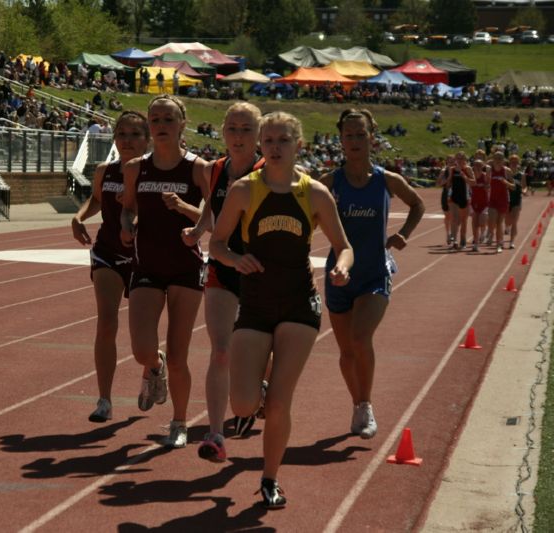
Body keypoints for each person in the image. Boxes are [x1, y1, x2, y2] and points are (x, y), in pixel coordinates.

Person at [210, 111, 353, 508]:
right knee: (241, 403)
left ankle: (270, 478)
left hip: (298, 304)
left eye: (282, 140)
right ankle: (254, 401)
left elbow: (344, 246)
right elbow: (216, 244)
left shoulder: (315, 194)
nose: (274, 147)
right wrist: (234, 260)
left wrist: (341, 266)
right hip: (254, 304)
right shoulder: (244, 190)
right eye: (268, 140)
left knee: (279, 404)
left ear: (298, 146)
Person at [320, 108, 425, 441]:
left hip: (374, 274)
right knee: (346, 353)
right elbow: (303, 211)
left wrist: (404, 233)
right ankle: (357, 403)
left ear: (372, 137)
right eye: (348, 135)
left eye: (360, 134)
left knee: (360, 338)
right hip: (338, 275)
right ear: (340, 140)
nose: (354, 141)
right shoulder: (329, 183)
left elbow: (417, 203)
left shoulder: (385, 179)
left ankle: (366, 404)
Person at [121, 95, 211, 448]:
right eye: (155, 119)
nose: (160, 125)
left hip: (185, 267)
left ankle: (179, 422)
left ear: (182, 124)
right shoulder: (135, 168)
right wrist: (127, 226)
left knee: (179, 354)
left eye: (168, 120)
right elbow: (128, 208)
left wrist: (188, 215)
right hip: (146, 265)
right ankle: (152, 367)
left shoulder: (198, 168)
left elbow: (214, 216)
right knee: (142, 348)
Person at [181, 102, 265, 463]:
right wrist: (199, 230)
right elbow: (212, 208)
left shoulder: (270, 171)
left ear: (258, 135)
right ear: (222, 132)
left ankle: (255, 393)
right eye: (232, 128)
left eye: (246, 129)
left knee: (260, 352)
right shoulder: (215, 170)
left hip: (263, 271)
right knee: (220, 349)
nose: (238, 136)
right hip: (223, 268)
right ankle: (216, 434)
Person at [71, 111, 150, 422]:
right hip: (107, 251)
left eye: (134, 134)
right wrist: (78, 218)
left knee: (142, 335)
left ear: (147, 139)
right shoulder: (105, 171)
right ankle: (105, 399)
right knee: (106, 322)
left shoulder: (155, 173)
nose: (127, 140)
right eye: (122, 134)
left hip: (145, 256)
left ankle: (153, 365)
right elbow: (96, 200)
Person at [485, 151, 515, 253]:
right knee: (492, 220)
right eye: (496, 158)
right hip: (493, 199)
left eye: (500, 158)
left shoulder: (507, 171)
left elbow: (513, 186)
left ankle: (499, 244)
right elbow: (486, 184)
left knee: (499, 223)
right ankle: (490, 232)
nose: (498, 160)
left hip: (503, 200)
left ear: (503, 160)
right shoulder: (490, 170)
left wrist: (506, 182)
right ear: (493, 159)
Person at [446, 151, 476, 250]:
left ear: (465, 159)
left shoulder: (468, 169)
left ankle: (463, 240)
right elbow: (449, 182)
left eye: (461, 158)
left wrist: (464, 177)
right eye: (457, 158)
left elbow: (473, 182)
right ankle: (454, 240)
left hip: (465, 197)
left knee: (463, 221)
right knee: (454, 218)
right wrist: (446, 183)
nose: (459, 160)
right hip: (454, 197)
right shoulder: (452, 169)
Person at [506, 153, 526, 249]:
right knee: (508, 221)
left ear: (518, 163)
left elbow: (524, 187)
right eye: (512, 162)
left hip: (517, 199)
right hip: (506, 199)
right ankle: (507, 227)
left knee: (514, 221)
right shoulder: (506, 173)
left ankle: (512, 242)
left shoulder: (521, 175)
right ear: (509, 163)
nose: (514, 164)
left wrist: (524, 191)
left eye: (516, 162)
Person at [470, 158, 490, 251]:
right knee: (474, 224)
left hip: (484, 202)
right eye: (476, 165)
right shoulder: (471, 176)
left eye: (479, 165)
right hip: (474, 202)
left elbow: (489, 187)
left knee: (482, 221)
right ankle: (476, 243)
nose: (477, 167)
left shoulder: (485, 176)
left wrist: (485, 186)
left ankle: (483, 232)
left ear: (482, 166)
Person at [436, 155, 454, 246]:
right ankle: (448, 234)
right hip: (446, 194)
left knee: (455, 216)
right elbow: (438, 183)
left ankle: (453, 234)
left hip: (456, 195)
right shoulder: (444, 171)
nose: (451, 163)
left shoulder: (458, 170)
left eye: (453, 161)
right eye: (449, 161)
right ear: (447, 162)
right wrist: (447, 179)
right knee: (448, 216)